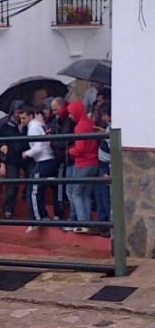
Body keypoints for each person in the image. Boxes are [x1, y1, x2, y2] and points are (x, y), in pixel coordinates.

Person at [20, 105, 57, 233]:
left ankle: (36, 219)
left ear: (30, 115)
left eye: (24, 118)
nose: (22, 121)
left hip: (43, 160)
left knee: (34, 191)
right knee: (37, 189)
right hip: (45, 159)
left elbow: (39, 146)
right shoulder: (36, 125)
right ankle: (43, 215)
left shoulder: (33, 128)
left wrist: (27, 153)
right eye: (21, 119)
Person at [67, 100, 99, 233]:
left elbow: (79, 149)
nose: (70, 115)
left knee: (76, 193)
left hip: (82, 163)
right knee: (85, 194)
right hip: (94, 162)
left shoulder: (79, 127)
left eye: (70, 112)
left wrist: (70, 151)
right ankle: (87, 222)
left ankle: (81, 222)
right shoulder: (90, 124)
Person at [0, 100, 27, 219]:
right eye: (15, 112)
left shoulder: (27, 124)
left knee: (32, 178)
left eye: (20, 112)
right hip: (12, 157)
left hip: (25, 155)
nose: (18, 114)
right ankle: (8, 209)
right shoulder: (5, 125)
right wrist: (1, 146)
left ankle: (26, 197)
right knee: (12, 184)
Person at [50, 97, 77, 225]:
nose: (53, 112)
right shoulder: (60, 120)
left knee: (65, 188)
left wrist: (51, 142)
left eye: (55, 109)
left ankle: (60, 212)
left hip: (66, 158)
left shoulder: (68, 120)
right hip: (64, 157)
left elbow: (64, 141)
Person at [94, 102, 111, 232]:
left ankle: (107, 226)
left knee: (105, 198)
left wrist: (109, 171)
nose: (103, 118)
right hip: (102, 165)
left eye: (105, 115)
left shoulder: (111, 130)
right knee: (99, 195)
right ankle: (103, 224)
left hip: (106, 167)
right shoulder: (108, 128)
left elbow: (114, 152)